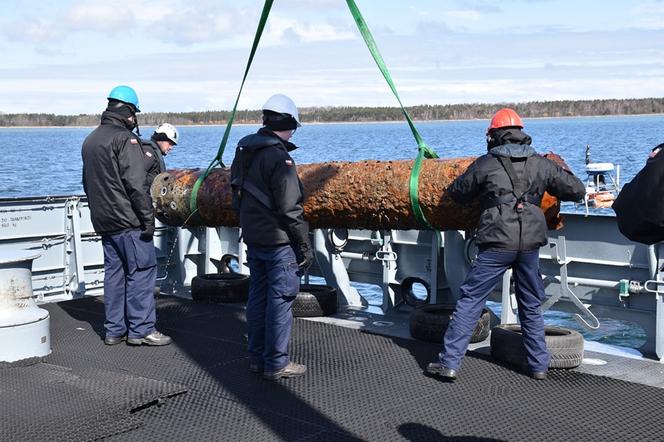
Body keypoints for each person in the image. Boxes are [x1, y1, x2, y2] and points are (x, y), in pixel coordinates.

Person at [426, 108, 585, 381]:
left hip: (496, 244)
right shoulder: (541, 163)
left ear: (493, 136)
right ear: (522, 134)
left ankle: (450, 363)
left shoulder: (486, 163)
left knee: (470, 301)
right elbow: (577, 191)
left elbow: (457, 194)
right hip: (529, 247)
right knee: (531, 304)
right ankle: (538, 366)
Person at [230, 94, 313, 380]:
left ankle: (257, 357)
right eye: (293, 127)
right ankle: (276, 362)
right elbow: (290, 208)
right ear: (288, 123)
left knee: (257, 298)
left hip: (254, 238)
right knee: (280, 300)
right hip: (278, 242)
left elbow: (236, 194)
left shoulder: (244, 149)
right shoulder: (280, 158)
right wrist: (304, 244)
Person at [81, 85, 171, 347]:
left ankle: (113, 330)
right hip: (129, 221)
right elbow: (136, 184)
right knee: (142, 272)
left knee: (114, 275)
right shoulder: (126, 140)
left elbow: (88, 183)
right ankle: (141, 330)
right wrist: (147, 220)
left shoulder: (91, 140)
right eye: (134, 114)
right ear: (129, 112)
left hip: (104, 222)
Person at [142, 123, 179, 189]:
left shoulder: (153, 153)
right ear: (161, 138)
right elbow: (136, 179)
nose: (171, 148)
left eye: (172, 145)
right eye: (170, 144)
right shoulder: (149, 153)